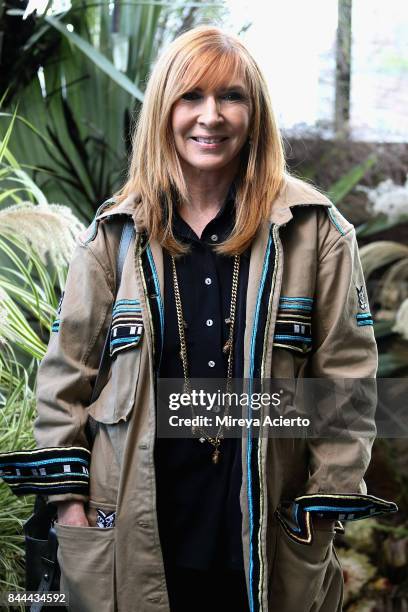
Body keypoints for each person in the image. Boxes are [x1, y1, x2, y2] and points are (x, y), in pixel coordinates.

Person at [2, 25, 397, 612]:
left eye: (231, 97)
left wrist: (324, 505)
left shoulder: (317, 234)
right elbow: (65, 382)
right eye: (191, 97)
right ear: (165, 109)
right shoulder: (115, 237)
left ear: (254, 112)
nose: (210, 116)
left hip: (272, 539)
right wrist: (70, 505)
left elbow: (347, 385)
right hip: (133, 540)